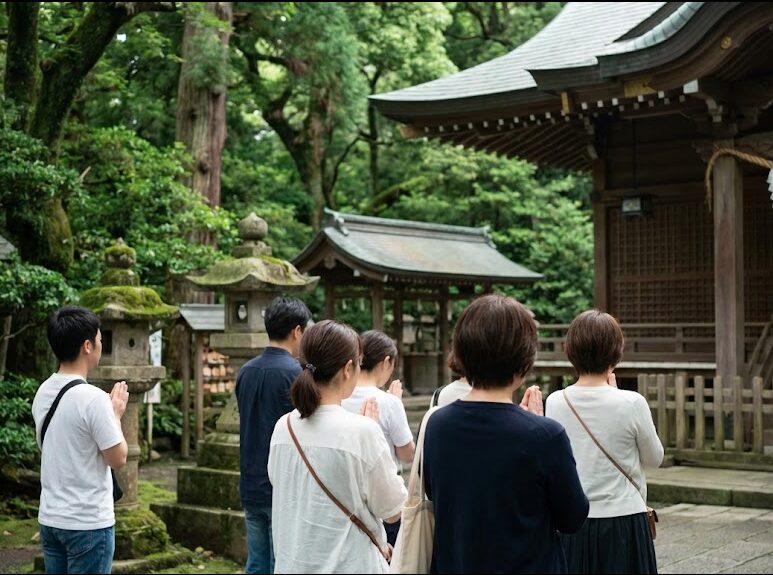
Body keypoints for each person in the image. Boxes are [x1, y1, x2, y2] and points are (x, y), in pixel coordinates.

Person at [422, 294, 589, 573]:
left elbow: (436, 492)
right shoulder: (545, 435)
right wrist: (536, 425)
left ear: (462, 354)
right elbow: (572, 518)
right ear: (524, 361)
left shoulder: (436, 425)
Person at [268, 320, 408, 574]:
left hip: (293, 564)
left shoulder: (283, 427)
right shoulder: (362, 431)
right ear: (347, 369)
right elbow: (393, 509)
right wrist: (371, 435)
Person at [545, 310, 663, 574]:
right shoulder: (632, 402)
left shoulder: (555, 401)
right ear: (615, 352)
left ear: (571, 350)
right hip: (625, 520)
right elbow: (654, 459)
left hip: (574, 519)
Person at [32, 305, 128, 574]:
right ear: (87, 346)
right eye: (99, 339)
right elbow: (118, 458)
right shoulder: (93, 399)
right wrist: (116, 415)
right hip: (87, 524)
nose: (101, 344)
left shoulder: (43, 391)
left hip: (51, 518)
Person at [235, 297, 312, 574]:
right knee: (281, 562)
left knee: (256, 562)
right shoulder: (296, 374)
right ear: (297, 331)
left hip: (249, 480)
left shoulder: (245, 371)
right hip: (281, 485)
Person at [341, 329, 415, 546]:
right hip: (383, 497)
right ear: (386, 362)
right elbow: (407, 454)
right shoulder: (388, 402)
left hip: (347, 494)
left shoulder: (340, 394)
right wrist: (396, 404)